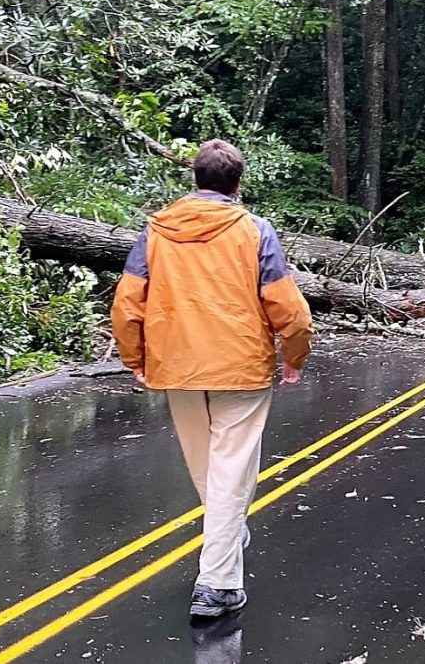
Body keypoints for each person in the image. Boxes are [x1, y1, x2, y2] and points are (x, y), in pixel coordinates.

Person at [111, 139, 313, 618]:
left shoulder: (156, 231)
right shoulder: (255, 230)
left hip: (176, 365)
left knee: (209, 468)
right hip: (240, 366)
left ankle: (228, 532)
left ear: (195, 179)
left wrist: (135, 357)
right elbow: (288, 307)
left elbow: (127, 303)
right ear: (237, 185)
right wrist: (295, 354)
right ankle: (218, 584)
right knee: (229, 470)